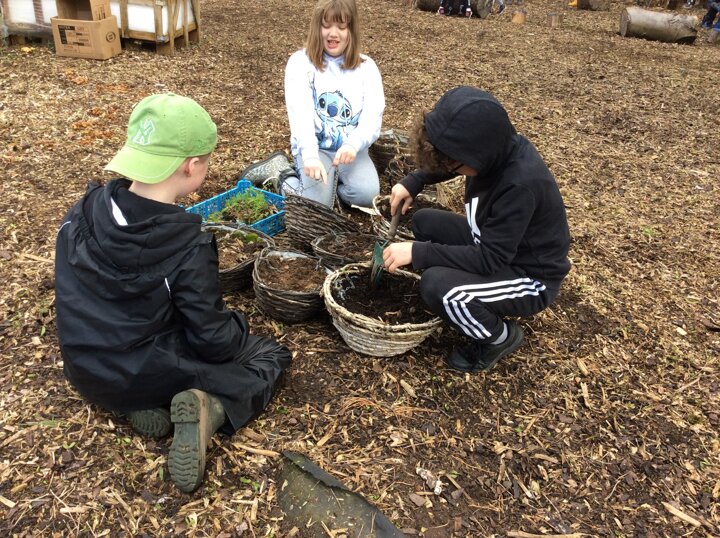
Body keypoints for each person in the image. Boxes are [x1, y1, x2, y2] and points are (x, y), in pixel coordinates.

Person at [54, 93, 292, 493]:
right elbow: (213, 342)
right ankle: (211, 410)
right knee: (271, 356)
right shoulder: (186, 244)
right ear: (191, 166)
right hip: (139, 369)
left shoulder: (83, 211)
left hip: (84, 368)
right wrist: (238, 325)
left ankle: (137, 404)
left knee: (142, 338)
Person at [383, 87, 571, 373]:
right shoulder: (495, 150)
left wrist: (418, 252)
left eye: (453, 162)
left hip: (528, 276)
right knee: (424, 222)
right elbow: (451, 164)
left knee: (437, 286)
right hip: (492, 243)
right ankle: (464, 289)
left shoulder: (520, 185)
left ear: (477, 154)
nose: (449, 168)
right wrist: (415, 180)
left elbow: (489, 259)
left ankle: (499, 338)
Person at [283, 0, 385, 209]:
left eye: (341, 27)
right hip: (316, 149)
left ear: (351, 30)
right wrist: (310, 155)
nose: (333, 34)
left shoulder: (367, 67)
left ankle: (329, 186)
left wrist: (353, 144)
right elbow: (300, 115)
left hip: (350, 151)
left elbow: (372, 117)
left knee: (367, 195)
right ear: (317, 27)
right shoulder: (300, 63)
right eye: (326, 25)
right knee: (317, 207)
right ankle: (281, 177)